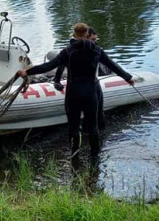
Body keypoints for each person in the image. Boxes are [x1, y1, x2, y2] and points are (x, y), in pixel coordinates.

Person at [17, 22, 134, 163]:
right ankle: (95, 158)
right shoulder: (97, 50)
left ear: (74, 34)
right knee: (92, 127)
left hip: (73, 94)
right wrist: (128, 78)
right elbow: (112, 65)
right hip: (91, 93)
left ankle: (75, 157)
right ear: (86, 34)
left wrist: (27, 71)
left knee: (74, 127)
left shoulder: (68, 52)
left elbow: (47, 66)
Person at [52, 26, 109, 131]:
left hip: (93, 85)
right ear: (85, 37)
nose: (95, 43)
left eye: (96, 40)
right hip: (78, 88)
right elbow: (61, 65)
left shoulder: (94, 49)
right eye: (93, 40)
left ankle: (100, 137)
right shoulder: (71, 51)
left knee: (99, 114)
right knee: (82, 118)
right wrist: (57, 80)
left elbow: (109, 63)